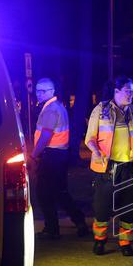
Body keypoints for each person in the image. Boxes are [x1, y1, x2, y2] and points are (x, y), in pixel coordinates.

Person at [85, 76, 133, 256]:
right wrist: (95, 151)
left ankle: (126, 243)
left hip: (130, 167)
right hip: (107, 167)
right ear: (116, 92)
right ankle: (99, 241)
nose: (131, 94)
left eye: (132, 90)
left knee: (129, 207)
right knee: (102, 207)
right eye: (127, 91)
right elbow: (90, 138)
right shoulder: (101, 110)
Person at [31, 78, 89, 240]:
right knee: (59, 192)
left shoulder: (50, 109)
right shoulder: (58, 107)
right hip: (59, 156)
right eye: (37, 90)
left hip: (51, 156)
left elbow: (46, 135)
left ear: (51, 91)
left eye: (42, 91)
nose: (38, 94)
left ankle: (53, 228)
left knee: (43, 193)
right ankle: (78, 221)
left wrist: (33, 155)